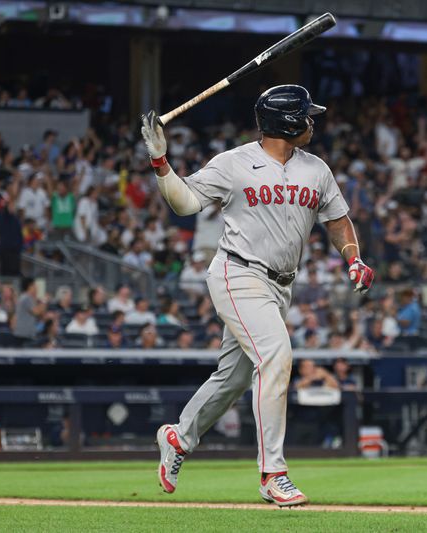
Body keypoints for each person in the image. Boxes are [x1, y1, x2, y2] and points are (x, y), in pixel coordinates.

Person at [143, 85, 374, 506]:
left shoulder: (316, 168)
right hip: (237, 273)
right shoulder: (234, 163)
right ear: (287, 122)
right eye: (306, 115)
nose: (312, 121)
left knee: (231, 379)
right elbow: (185, 203)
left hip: (280, 285)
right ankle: (273, 473)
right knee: (276, 356)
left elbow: (338, 220)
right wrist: (161, 163)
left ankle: (178, 436)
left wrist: (352, 259)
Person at [12, 277, 47, 346]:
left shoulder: (26, 298)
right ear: (30, 286)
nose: (36, 288)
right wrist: (44, 301)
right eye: (34, 285)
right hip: (23, 335)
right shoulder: (26, 298)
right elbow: (36, 312)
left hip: (24, 334)